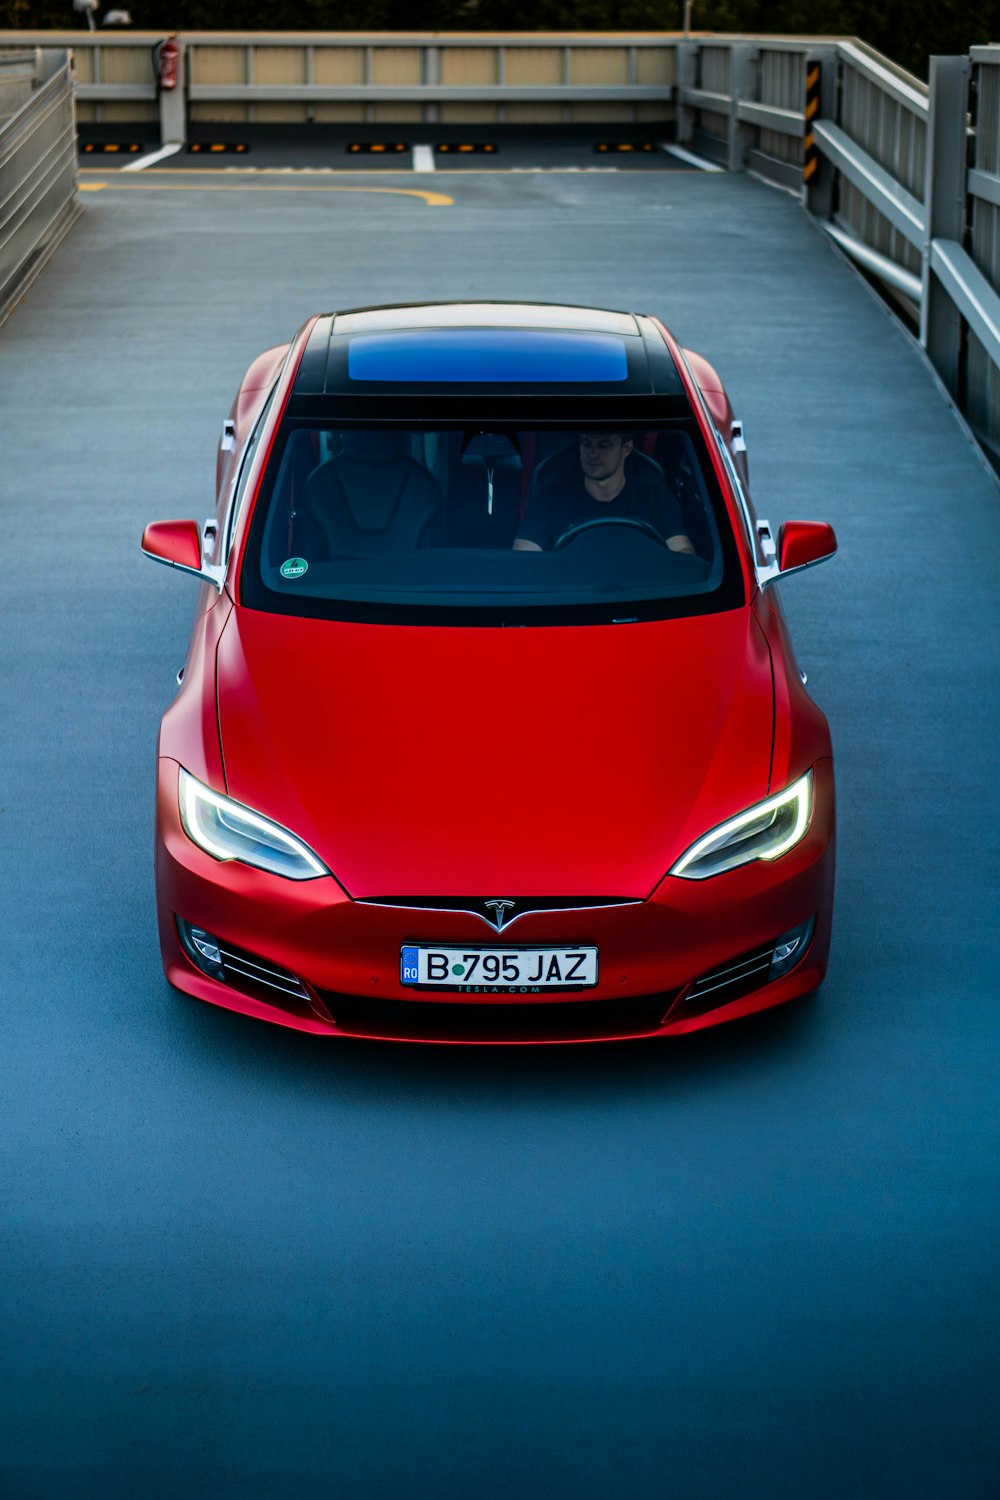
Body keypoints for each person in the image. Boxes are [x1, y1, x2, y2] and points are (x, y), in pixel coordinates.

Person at [513, 433, 695, 554]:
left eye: (604, 445)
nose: (593, 453)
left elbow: (682, 550)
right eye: (586, 444)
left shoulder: (656, 497)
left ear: (626, 449)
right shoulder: (550, 499)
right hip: (567, 598)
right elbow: (524, 558)